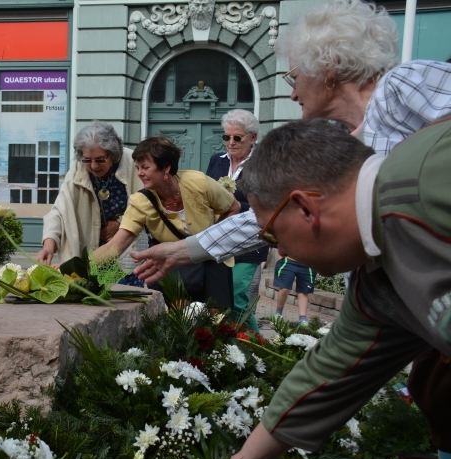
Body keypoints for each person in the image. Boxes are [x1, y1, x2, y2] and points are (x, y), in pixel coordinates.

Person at [130, 0, 451, 285]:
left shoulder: (401, 84)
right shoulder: (333, 143)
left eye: (293, 78)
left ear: (329, 68)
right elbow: (273, 214)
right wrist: (182, 250)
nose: (292, 93)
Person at [227, 118, 451, 459]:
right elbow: (331, 368)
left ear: (305, 208)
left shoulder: (433, 170)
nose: (283, 253)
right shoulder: (378, 282)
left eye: (272, 237)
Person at [94, 136, 239, 306]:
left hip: (211, 262)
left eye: (146, 167)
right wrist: (74, 268)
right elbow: (115, 246)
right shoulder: (140, 202)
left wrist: (213, 239)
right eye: (138, 167)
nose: (140, 173)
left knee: (216, 323)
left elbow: (233, 207)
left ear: (166, 168)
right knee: (175, 324)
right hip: (171, 268)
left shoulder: (198, 182)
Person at [38, 122, 143, 266]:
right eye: (87, 160)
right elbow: (59, 212)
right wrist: (49, 246)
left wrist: (121, 223)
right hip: (91, 250)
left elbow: (146, 206)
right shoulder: (77, 169)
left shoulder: (132, 163)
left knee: (125, 287)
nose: (93, 166)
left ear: (113, 154)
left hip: (128, 247)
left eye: (100, 159)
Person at [205, 109, 267, 330]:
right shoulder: (216, 160)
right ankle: (228, 348)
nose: (230, 142)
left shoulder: (264, 163)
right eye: (226, 137)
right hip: (218, 240)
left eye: (237, 137)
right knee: (220, 300)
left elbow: (271, 206)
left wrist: (239, 206)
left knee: (237, 296)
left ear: (253, 138)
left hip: (249, 241)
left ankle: (257, 347)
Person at [272, 253, 314, 326]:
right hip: (288, 260)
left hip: (307, 263)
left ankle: (302, 319)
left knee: (303, 291)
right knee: (284, 289)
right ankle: (278, 312)